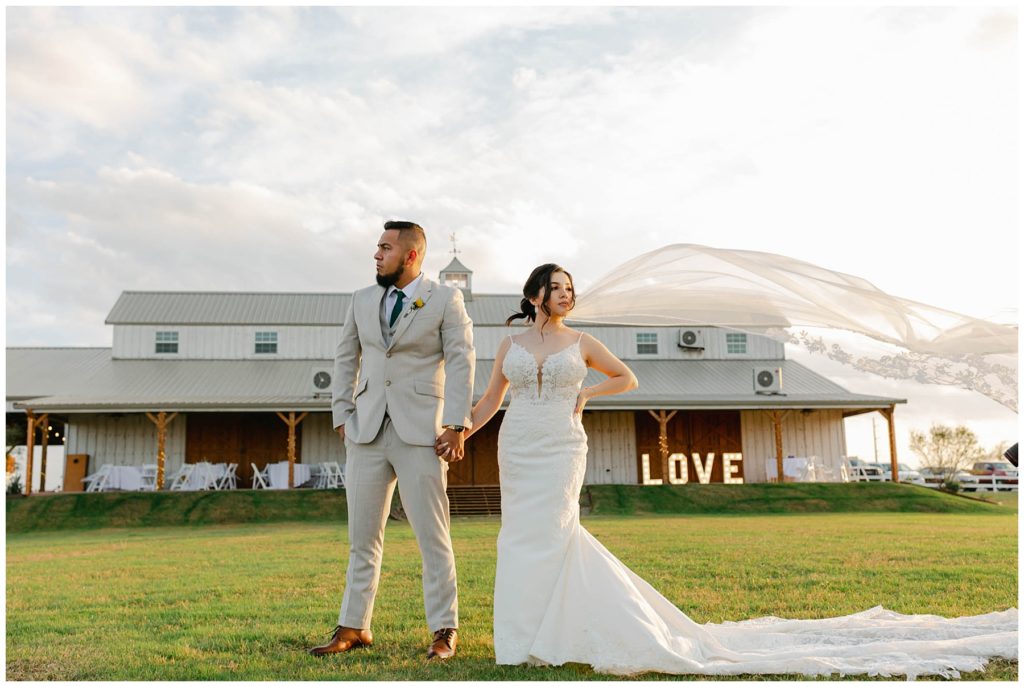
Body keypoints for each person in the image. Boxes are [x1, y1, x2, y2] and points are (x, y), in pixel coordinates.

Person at [453, 262, 1017, 678]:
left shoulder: (584, 342)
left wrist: (587, 395)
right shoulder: (509, 345)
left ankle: (564, 628)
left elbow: (628, 379)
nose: (567, 296)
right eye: (558, 289)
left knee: (555, 532)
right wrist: (460, 433)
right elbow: (488, 402)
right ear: (534, 295)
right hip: (519, 443)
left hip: (561, 444)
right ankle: (523, 638)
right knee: (519, 536)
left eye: (571, 290)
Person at [310, 221, 475, 661]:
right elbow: (346, 356)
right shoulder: (362, 300)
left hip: (422, 432)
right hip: (365, 432)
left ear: (412, 255)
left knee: (431, 536)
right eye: (377, 248)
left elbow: (461, 360)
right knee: (362, 538)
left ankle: (444, 629)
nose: (377, 255)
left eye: (385, 248)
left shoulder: (445, 299)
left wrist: (457, 424)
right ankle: (353, 627)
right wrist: (342, 412)